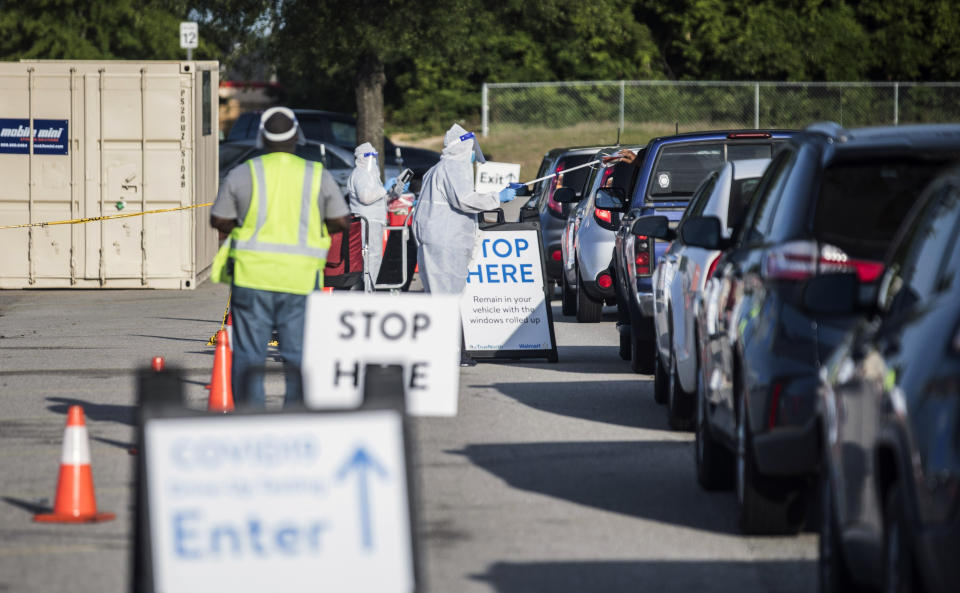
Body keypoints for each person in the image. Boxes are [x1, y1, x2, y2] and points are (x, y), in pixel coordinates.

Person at [210, 106, 350, 407]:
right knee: (298, 353)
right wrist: (314, 225)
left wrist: (245, 224)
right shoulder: (316, 174)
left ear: (261, 137)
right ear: (297, 136)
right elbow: (341, 220)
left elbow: (218, 219)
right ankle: (295, 415)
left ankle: (252, 417)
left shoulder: (242, 173)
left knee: (249, 353)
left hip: (252, 276)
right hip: (300, 279)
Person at [412, 123, 517, 365]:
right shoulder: (454, 166)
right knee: (446, 300)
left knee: (441, 298)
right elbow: (464, 199)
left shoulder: (438, 168)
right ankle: (452, 353)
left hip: (436, 242)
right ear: (464, 147)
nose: (472, 155)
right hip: (446, 244)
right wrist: (497, 198)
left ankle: (450, 352)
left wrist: (496, 194)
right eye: (471, 149)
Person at [345, 142, 408, 291]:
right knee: (369, 260)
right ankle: (367, 291)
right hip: (366, 224)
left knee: (373, 260)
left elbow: (378, 198)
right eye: (370, 156)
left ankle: (370, 289)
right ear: (362, 158)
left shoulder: (370, 175)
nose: (373, 160)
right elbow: (366, 197)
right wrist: (384, 189)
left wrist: (394, 192)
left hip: (373, 223)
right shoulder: (361, 174)